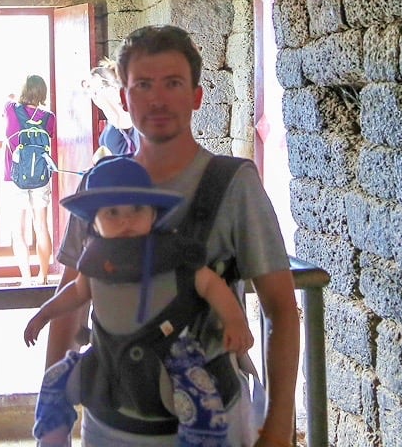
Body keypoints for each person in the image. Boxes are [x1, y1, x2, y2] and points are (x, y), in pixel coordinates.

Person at [45, 25, 300, 447]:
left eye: (173, 83)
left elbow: (281, 309)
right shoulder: (98, 186)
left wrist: (277, 428)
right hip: (110, 420)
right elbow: (68, 301)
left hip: (209, 419)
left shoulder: (233, 184)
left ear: (196, 96)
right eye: (143, 85)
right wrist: (53, 420)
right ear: (125, 98)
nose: (158, 99)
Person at [24, 157, 254, 447]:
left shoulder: (172, 252)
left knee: (202, 399)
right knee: (56, 382)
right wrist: (44, 314)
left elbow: (209, 284)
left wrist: (234, 320)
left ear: (153, 214)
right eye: (112, 212)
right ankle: (52, 438)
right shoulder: (95, 258)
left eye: (136, 209)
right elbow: (77, 292)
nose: (126, 220)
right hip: (107, 354)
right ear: (93, 221)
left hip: (172, 350)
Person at [6, 74, 57, 285]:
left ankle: (25, 278)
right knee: (41, 226)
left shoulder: (11, 109)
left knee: (18, 229)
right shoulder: (49, 117)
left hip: (15, 175)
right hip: (40, 176)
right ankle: (43, 276)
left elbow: (8, 99)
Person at [85, 60, 137, 161]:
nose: (93, 97)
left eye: (95, 91)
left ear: (113, 89)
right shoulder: (113, 125)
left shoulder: (141, 127)